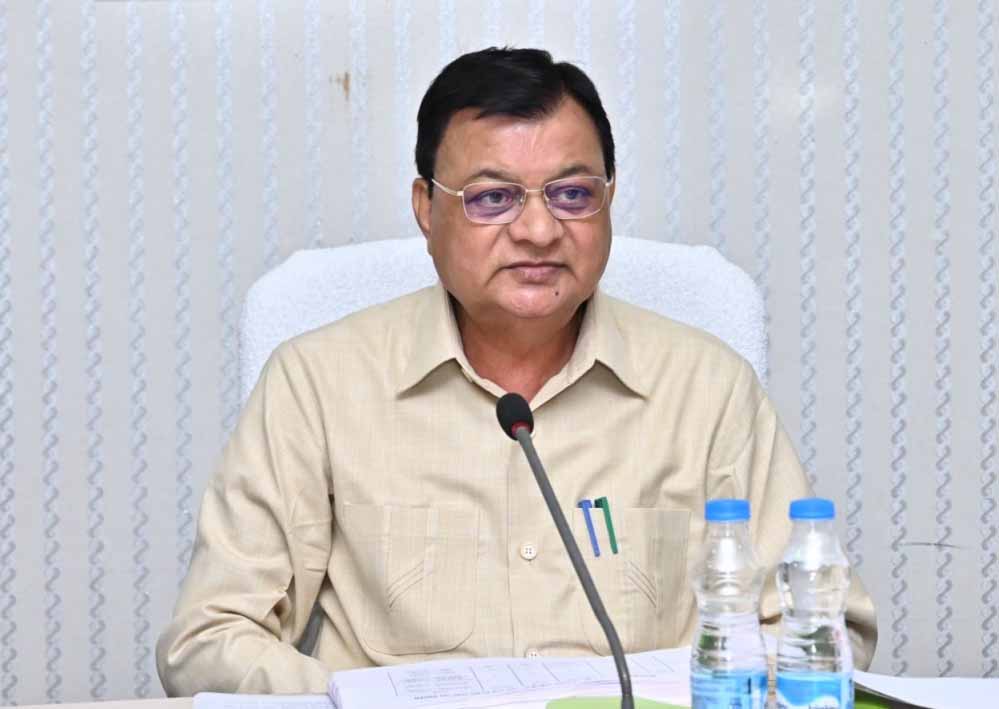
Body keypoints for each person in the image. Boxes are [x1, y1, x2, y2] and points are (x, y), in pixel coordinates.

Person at [156, 47, 877, 696]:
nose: (538, 230)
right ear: (425, 209)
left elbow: (822, 631)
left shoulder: (707, 389)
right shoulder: (317, 384)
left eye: (572, 194)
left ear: (608, 200)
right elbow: (207, 639)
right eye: (491, 198)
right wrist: (359, 700)